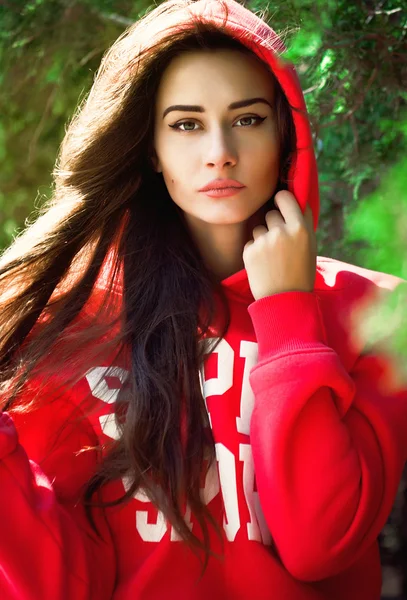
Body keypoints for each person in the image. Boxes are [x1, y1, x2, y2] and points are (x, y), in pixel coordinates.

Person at [0, 0, 406, 598]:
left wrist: (290, 314)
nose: (219, 150)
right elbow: (55, 580)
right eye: (186, 124)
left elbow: (323, 545)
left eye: (246, 119)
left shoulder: (376, 317)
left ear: (286, 133)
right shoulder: (69, 326)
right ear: (150, 149)